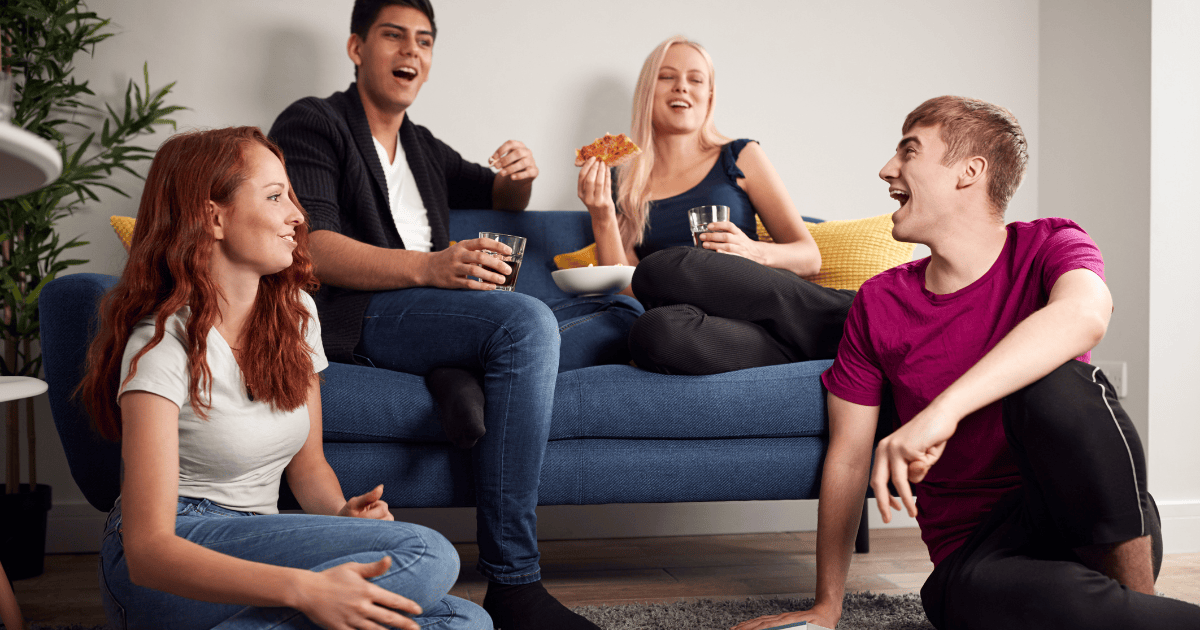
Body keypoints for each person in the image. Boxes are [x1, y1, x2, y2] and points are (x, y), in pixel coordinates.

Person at [734, 96, 1200, 630]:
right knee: (980, 597)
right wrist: (827, 606)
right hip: (977, 557)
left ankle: (1132, 603)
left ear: (969, 172)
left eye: (909, 151)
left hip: (1092, 528)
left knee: (1059, 384)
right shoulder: (880, 302)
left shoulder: (1050, 244)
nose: (887, 169)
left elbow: (1085, 314)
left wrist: (941, 412)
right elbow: (847, 457)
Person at [268, 2, 613, 628]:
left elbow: (496, 193)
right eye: (394, 36)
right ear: (356, 48)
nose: (411, 52)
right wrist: (431, 267)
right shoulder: (314, 124)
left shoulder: (421, 147)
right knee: (526, 324)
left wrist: (520, 178)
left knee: (609, 307)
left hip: (427, 313)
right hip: (358, 312)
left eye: (424, 41)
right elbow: (309, 247)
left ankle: (459, 372)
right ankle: (514, 583)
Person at [77, 127, 489, 630]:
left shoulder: (296, 315)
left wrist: (342, 518)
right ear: (214, 217)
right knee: (429, 555)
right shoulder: (162, 344)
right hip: (169, 566)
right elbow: (148, 551)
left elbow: (309, 466)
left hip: (261, 540)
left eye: (291, 196)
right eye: (275, 197)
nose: (297, 215)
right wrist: (306, 588)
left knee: (465, 621)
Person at [576, 36, 855, 376]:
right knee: (653, 333)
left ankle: (848, 318)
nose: (681, 87)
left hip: (760, 295)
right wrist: (601, 213)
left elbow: (809, 258)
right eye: (667, 77)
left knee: (664, 268)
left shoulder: (739, 156)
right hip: (720, 328)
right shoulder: (623, 181)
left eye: (695, 79)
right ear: (648, 90)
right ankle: (808, 354)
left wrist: (752, 252)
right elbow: (630, 289)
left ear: (709, 95)